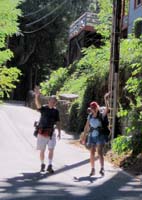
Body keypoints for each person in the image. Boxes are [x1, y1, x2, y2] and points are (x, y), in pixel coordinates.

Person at [82, 93, 110, 177]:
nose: (93, 109)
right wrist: (84, 137)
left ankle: (102, 168)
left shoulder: (101, 115)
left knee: (100, 152)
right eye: (92, 108)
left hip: (100, 136)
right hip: (92, 136)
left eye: (94, 108)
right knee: (92, 153)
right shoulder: (90, 116)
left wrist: (105, 99)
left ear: (97, 108)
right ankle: (93, 169)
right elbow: (86, 127)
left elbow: (107, 108)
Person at [34, 87, 61, 173]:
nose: (53, 103)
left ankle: (49, 165)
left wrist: (59, 132)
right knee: (42, 150)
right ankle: (42, 164)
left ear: (55, 103)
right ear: (48, 101)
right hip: (42, 132)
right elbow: (38, 105)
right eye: (51, 101)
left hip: (51, 133)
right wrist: (37, 96)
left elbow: (58, 122)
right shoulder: (44, 108)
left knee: (51, 149)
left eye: (54, 102)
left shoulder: (56, 111)